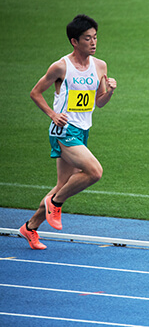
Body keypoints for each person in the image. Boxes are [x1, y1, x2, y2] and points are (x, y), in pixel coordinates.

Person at [18, 14, 117, 250]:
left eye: (95, 37)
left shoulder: (100, 65)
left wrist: (110, 91)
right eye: (87, 38)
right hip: (63, 130)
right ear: (74, 41)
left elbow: (99, 103)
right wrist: (53, 115)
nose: (93, 42)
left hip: (83, 129)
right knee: (94, 172)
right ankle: (56, 203)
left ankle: (30, 228)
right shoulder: (61, 66)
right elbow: (35, 92)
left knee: (63, 184)